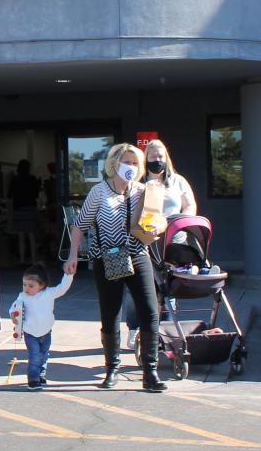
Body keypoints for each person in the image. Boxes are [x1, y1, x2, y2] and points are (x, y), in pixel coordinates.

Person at [62, 143, 167, 392]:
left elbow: (160, 218)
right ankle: (112, 369)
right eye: (126, 162)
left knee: (150, 311)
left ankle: (150, 370)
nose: (130, 167)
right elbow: (80, 225)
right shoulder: (99, 192)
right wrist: (73, 255)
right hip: (107, 257)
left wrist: (158, 227)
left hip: (138, 254)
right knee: (110, 314)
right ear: (114, 163)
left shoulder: (144, 191)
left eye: (134, 163)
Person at [126, 139, 198, 350]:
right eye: (152, 157)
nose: (157, 160)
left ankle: (166, 331)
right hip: (143, 240)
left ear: (166, 157)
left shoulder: (178, 181)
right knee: (136, 286)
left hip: (173, 241)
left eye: (160, 157)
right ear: (145, 158)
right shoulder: (139, 181)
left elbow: (190, 205)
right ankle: (134, 328)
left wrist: (180, 222)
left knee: (168, 288)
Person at [8, 262, 73, 390]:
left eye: (31, 286)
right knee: (34, 356)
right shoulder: (22, 297)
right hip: (30, 333)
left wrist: (68, 275)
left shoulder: (49, 293)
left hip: (46, 332)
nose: (26, 288)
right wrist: (13, 316)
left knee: (44, 354)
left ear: (42, 285)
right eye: (24, 285)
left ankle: (41, 375)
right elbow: (13, 308)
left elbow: (63, 288)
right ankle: (33, 379)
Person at [8, 159, 41, 263]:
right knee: (31, 235)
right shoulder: (33, 179)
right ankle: (34, 259)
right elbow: (36, 194)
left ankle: (22, 259)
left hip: (18, 208)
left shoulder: (15, 179)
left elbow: (9, 194)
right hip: (30, 207)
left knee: (21, 236)